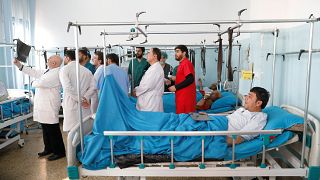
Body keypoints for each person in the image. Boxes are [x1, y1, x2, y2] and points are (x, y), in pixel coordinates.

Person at [13, 56, 66, 161]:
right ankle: (49, 149)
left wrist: (33, 82)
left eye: (50, 59)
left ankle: (59, 152)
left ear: (54, 63)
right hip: (44, 105)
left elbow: (40, 83)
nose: (48, 59)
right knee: (45, 129)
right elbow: (35, 72)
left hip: (49, 105)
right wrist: (19, 65)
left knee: (52, 129)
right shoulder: (48, 70)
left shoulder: (56, 73)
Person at [59, 50, 97, 132]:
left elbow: (67, 87)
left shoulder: (64, 70)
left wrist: (79, 99)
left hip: (72, 104)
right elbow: (93, 87)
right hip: (84, 105)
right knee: (84, 133)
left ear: (67, 58)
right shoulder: (87, 71)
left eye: (64, 58)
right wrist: (85, 97)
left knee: (73, 135)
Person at [134, 48, 164, 112]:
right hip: (149, 102)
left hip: (151, 104)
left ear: (155, 56)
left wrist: (136, 90)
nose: (146, 54)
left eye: (149, 53)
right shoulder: (153, 68)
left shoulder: (155, 69)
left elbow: (147, 86)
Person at [168, 45, 196, 114]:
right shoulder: (181, 64)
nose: (175, 54)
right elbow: (183, 78)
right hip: (181, 96)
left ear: (184, 53)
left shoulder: (186, 63)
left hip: (185, 98)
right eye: (175, 52)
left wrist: (176, 87)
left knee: (185, 118)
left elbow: (190, 79)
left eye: (177, 51)